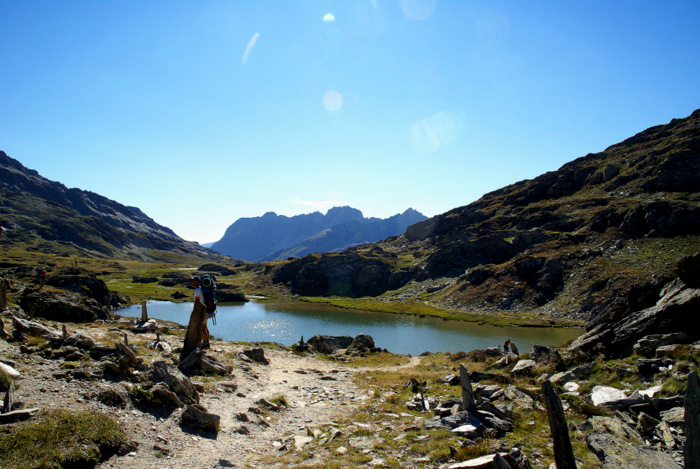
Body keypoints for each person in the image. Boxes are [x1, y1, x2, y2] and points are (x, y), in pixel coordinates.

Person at [190, 276, 211, 349]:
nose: (191, 282)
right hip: (206, 310)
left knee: (202, 327)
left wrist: (194, 312)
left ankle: (205, 343)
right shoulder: (200, 289)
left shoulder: (197, 290)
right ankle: (207, 342)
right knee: (205, 326)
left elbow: (197, 302)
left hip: (201, 311)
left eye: (192, 280)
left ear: (196, 282)